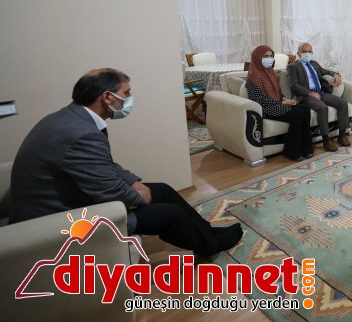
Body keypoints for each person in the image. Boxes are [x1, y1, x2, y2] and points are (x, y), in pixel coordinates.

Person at [9, 68, 242, 258]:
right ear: (107, 97)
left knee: (163, 190)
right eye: (126, 93)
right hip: (60, 217)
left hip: (72, 195)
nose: (129, 99)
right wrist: (139, 196)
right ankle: (209, 246)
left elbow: (104, 165)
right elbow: (108, 192)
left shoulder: (74, 117)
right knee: (169, 214)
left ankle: (207, 232)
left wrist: (133, 182)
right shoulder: (81, 134)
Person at [246, 45, 314, 161]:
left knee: (305, 109)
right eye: (265, 56)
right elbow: (258, 100)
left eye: (270, 56)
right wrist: (281, 102)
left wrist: (284, 99)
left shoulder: (270, 72)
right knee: (297, 113)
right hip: (266, 108)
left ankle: (306, 148)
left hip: (277, 104)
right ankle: (291, 150)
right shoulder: (253, 77)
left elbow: (278, 92)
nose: (269, 59)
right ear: (257, 58)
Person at [287, 42, 350, 152]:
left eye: (309, 51)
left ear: (312, 53)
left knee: (343, 103)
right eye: (304, 51)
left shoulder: (314, 63)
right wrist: (309, 93)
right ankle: (326, 140)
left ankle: (342, 135)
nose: (307, 53)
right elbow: (293, 85)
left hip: (320, 93)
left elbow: (326, 71)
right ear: (298, 53)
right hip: (305, 96)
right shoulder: (293, 67)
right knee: (322, 107)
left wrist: (335, 74)